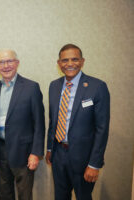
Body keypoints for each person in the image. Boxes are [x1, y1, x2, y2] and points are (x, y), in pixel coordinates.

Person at [46, 44, 110, 200]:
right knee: (60, 196)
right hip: (58, 154)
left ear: (82, 61)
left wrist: (94, 164)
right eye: (65, 60)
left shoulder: (97, 87)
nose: (69, 64)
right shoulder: (54, 86)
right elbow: (53, 121)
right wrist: (49, 148)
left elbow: (102, 128)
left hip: (84, 158)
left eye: (74, 59)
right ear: (59, 63)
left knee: (83, 196)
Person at [0, 49, 45, 200]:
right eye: (1, 62)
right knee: (4, 193)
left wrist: (36, 152)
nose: (6, 66)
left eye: (9, 61)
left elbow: (39, 123)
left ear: (17, 63)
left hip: (24, 151)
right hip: (0, 151)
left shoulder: (31, 88)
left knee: (24, 194)